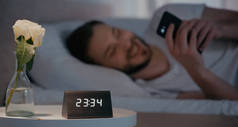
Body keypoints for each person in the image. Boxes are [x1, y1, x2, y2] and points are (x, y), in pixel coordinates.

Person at [66, 4, 238, 100]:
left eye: (118, 33)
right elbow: (232, 100)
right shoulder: (154, 93)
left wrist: (221, 30)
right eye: (112, 51)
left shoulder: (166, 15)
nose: (126, 44)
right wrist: (197, 70)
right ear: (106, 68)